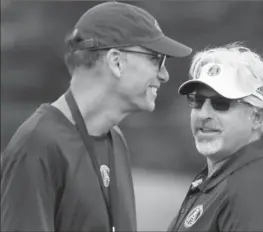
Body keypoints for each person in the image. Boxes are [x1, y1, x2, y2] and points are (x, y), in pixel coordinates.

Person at [1, 2, 192, 231]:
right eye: (155, 59)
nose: (165, 74)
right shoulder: (36, 145)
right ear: (116, 61)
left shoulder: (116, 140)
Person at [167, 43, 263, 231]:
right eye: (198, 101)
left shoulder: (253, 193)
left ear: (256, 116)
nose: (203, 114)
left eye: (221, 103)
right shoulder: (222, 179)